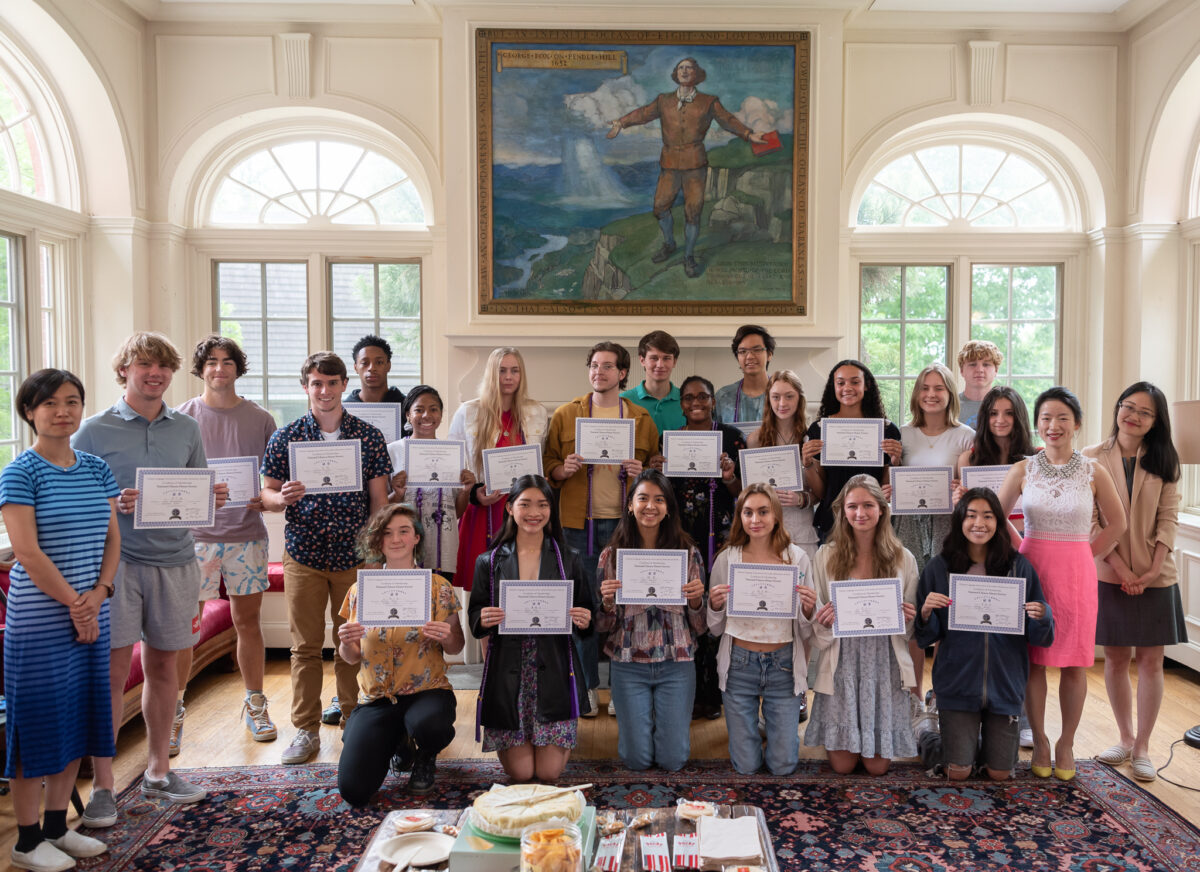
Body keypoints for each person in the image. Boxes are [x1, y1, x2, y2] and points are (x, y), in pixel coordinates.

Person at [72, 332, 228, 825]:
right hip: (114, 569)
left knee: (166, 671)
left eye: (162, 366)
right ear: (125, 371)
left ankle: (159, 771)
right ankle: (102, 786)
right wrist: (110, 503)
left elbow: (197, 492)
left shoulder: (186, 428)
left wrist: (212, 499)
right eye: (144, 365)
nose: (154, 373)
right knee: (112, 676)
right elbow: (70, 501)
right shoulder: (91, 431)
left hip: (177, 562)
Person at [1, 370, 118, 870]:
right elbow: (26, 551)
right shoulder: (19, 472)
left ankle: (56, 828)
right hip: (41, 623)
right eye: (49, 403)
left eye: (72, 402)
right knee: (36, 728)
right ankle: (26, 842)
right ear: (29, 411)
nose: (62, 411)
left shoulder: (95, 467)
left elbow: (114, 539)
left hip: (94, 610)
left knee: (81, 722)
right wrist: (78, 604)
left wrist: (100, 593)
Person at [260, 351, 391, 765]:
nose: (325, 391)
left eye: (332, 383)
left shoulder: (367, 436)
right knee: (304, 648)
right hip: (304, 555)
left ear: (342, 385)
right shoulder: (286, 437)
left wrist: (375, 555)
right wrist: (281, 497)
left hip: (354, 556)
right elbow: (267, 494)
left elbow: (379, 502)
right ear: (306, 388)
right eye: (317, 383)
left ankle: (355, 721)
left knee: (353, 641)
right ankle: (305, 730)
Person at [996, 386, 1125, 781]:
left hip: (1077, 572)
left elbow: (1118, 522)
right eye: (1046, 419)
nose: (1053, 426)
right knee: (1034, 661)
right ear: (1037, 425)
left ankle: (1067, 741)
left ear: (1077, 424)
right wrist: (1021, 551)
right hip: (1033, 569)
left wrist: (1089, 553)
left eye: (1062, 418)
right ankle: (1041, 738)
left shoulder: (1093, 471)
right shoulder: (1023, 469)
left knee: (1074, 662)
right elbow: (994, 516)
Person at [176, 335, 279, 751]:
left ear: (238, 368)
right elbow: (171, 481)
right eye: (212, 362)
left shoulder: (261, 419)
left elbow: (272, 480)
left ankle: (255, 703)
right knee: (184, 628)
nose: (219, 369)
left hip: (245, 535)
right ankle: (173, 710)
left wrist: (266, 497)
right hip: (194, 539)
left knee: (247, 623)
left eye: (227, 362)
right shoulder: (180, 418)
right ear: (201, 369)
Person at [543, 342, 657, 716]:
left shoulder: (641, 419)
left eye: (608, 366)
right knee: (584, 606)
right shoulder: (565, 415)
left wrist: (641, 475)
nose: (599, 372)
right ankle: (588, 687)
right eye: (594, 366)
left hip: (629, 526)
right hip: (579, 525)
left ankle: (624, 690)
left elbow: (655, 475)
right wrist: (564, 469)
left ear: (623, 373)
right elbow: (547, 470)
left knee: (629, 604)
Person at [915, 489, 1054, 781]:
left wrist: (1043, 616)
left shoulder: (1019, 567)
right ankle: (927, 733)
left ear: (999, 522)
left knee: (1000, 772)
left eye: (988, 516)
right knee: (958, 772)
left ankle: (977, 745)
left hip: (1005, 685)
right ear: (959, 521)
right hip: (957, 685)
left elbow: (1041, 638)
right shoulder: (939, 568)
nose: (979, 523)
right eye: (971, 515)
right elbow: (925, 638)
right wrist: (926, 612)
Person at [1084, 382, 1185, 782]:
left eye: (1145, 411)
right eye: (1129, 407)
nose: (1134, 415)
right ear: (1118, 408)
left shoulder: (1165, 460)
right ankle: (1124, 738)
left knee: (1150, 661)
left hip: (1156, 575)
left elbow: (1169, 519)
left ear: (1155, 421)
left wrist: (1151, 570)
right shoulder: (1090, 457)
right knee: (1114, 658)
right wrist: (1121, 570)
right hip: (1109, 573)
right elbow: (1091, 521)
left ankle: (1143, 746)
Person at [335, 504, 464, 805]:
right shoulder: (360, 590)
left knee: (429, 723)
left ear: (416, 538)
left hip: (426, 692)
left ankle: (426, 753)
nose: (395, 539)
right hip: (377, 698)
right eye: (387, 533)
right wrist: (345, 642)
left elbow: (456, 647)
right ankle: (398, 743)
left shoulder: (438, 588)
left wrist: (447, 636)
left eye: (404, 531)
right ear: (378, 541)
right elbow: (351, 656)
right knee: (353, 791)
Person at [468, 475, 594, 782]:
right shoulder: (490, 560)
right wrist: (482, 619)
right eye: (525, 504)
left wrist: (584, 619)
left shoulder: (569, 558)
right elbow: (475, 615)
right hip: (509, 669)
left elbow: (589, 614)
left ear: (552, 509)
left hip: (554, 666)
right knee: (523, 775)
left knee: (548, 773)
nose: (534, 512)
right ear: (510, 508)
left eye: (542, 504)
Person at [606, 58, 767, 278]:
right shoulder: (663, 100)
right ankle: (670, 244)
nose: (684, 71)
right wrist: (621, 122)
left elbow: (727, 120)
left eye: (689, 68)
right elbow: (643, 113)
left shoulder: (709, 102)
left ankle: (689, 256)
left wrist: (748, 134)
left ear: (696, 74)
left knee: (693, 212)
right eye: (680, 68)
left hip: (695, 166)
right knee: (660, 208)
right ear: (676, 74)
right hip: (669, 165)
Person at [805, 475, 919, 775]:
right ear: (842, 511)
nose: (860, 513)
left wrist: (908, 617)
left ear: (882, 510)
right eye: (852, 506)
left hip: (884, 662)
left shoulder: (903, 558)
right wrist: (824, 620)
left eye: (868, 505)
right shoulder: (824, 556)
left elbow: (908, 634)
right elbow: (817, 631)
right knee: (842, 767)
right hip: (841, 661)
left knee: (877, 767)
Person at [595, 470, 707, 771]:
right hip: (628, 664)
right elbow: (603, 628)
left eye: (659, 499)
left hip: (677, 663)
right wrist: (607, 602)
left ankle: (665, 731)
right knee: (636, 760)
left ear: (668, 507)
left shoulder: (688, 553)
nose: (650, 506)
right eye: (642, 498)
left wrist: (697, 601)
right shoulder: (612, 556)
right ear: (630, 505)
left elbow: (700, 627)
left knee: (673, 760)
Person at [706, 484, 815, 775]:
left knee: (782, 766)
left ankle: (776, 726)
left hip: (783, 665)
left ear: (776, 515)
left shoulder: (798, 559)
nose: (756, 520)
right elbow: (715, 628)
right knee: (746, 766)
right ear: (739, 517)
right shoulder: (727, 559)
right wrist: (715, 606)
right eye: (748, 512)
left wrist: (807, 609)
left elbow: (807, 631)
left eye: (763, 512)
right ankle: (759, 729)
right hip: (740, 664)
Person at [661, 374, 744, 720]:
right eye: (688, 397)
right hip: (682, 540)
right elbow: (664, 495)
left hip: (722, 538)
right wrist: (660, 471)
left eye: (703, 396)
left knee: (718, 610)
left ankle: (716, 693)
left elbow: (744, 492)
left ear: (713, 400)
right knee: (689, 613)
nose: (696, 403)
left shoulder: (732, 438)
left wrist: (728, 477)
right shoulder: (671, 441)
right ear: (680, 404)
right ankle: (688, 692)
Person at [448, 346, 549, 588]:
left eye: (515, 371)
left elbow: (540, 462)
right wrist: (474, 493)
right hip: (482, 510)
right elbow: (454, 467)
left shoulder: (536, 412)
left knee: (520, 580)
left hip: (523, 511)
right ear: (491, 374)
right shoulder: (469, 411)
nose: (508, 377)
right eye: (502, 371)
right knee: (479, 584)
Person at [802, 360, 903, 542]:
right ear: (834, 387)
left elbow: (884, 490)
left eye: (855, 382)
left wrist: (894, 462)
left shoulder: (887, 430)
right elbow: (822, 492)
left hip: (872, 523)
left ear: (867, 386)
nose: (847, 387)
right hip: (832, 522)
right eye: (841, 383)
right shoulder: (819, 430)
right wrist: (807, 464)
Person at [387, 385, 475, 583]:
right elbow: (381, 509)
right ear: (408, 415)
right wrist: (397, 494)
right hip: (401, 547)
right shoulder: (393, 451)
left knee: (438, 612)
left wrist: (465, 492)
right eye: (419, 409)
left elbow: (456, 513)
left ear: (441, 415)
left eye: (434, 409)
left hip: (442, 550)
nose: (427, 415)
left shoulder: (453, 453)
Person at [748, 369, 818, 560]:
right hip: (764, 531)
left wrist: (801, 499)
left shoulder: (810, 439)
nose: (782, 403)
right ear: (768, 400)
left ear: (799, 399)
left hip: (801, 530)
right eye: (776, 397)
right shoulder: (755, 440)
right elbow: (749, 492)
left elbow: (821, 492)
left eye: (789, 396)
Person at [621, 331, 686, 435]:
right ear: (642, 360)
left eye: (666, 358)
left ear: (674, 362)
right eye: (654, 358)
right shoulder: (623, 401)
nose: (660, 365)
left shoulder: (687, 401)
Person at [714, 325, 775, 425]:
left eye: (757, 350)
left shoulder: (783, 394)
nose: (750, 356)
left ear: (769, 354)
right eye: (743, 351)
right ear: (737, 357)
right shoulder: (723, 397)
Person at [343, 334, 406, 406]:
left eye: (379, 362)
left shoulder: (408, 407)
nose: (372, 368)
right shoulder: (345, 410)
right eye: (364, 363)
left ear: (389, 366)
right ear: (355, 368)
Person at [956, 340, 1002, 429]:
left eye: (986, 364)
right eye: (972, 364)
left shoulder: (1006, 406)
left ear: (996, 370)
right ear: (962, 370)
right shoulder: (951, 405)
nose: (979, 370)